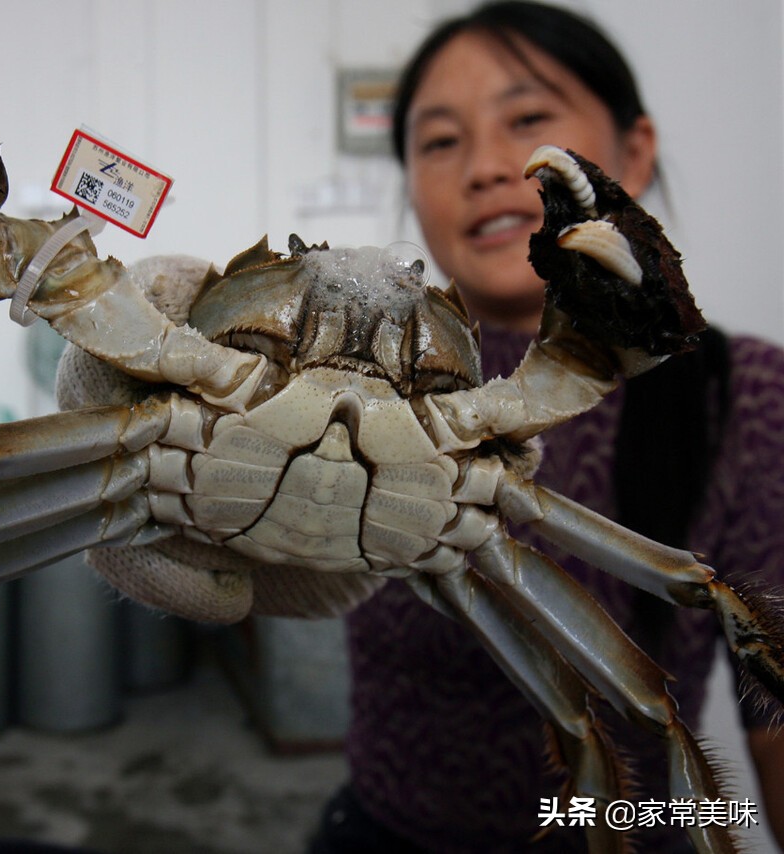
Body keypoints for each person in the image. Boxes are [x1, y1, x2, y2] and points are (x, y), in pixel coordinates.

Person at [309, 2, 784, 852]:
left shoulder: (742, 395)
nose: (489, 166)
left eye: (528, 121)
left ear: (632, 150)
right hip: (380, 827)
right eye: (440, 141)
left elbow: (778, 711)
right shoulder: (357, 374)